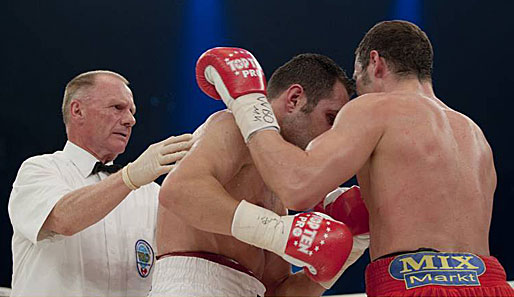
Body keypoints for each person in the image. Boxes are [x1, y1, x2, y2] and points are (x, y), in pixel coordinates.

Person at [196, 21, 514, 297]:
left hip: (412, 281)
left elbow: (296, 187)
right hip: (489, 281)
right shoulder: (473, 134)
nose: (357, 93)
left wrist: (250, 104)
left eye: (357, 78)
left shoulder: (374, 107)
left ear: (374, 63)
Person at [155, 53, 364, 296]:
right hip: (192, 286)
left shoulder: (277, 184)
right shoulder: (232, 126)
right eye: (330, 119)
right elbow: (178, 191)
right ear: (294, 99)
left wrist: (350, 251)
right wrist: (277, 231)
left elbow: (277, 291)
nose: (332, 136)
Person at [8, 70, 193, 297]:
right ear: (78, 110)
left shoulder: (151, 194)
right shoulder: (39, 170)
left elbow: (182, 262)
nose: (130, 120)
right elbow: (63, 219)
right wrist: (130, 176)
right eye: (117, 107)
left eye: (132, 111)